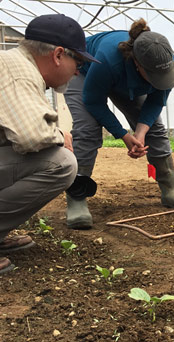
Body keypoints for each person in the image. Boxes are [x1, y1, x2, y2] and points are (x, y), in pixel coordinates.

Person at [63, 18, 174, 229]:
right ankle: (76, 198)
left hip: (123, 79)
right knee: (87, 130)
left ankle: (170, 190)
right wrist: (123, 135)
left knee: (155, 129)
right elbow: (93, 102)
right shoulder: (107, 60)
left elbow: (157, 99)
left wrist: (140, 133)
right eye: (153, 76)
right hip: (85, 72)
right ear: (137, 64)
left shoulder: (164, 62)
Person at [0, 14, 99, 273]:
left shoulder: (16, 65)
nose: (78, 70)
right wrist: (59, 135)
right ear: (57, 55)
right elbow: (30, 136)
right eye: (76, 61)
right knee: (61, 163)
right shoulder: (18, 72)